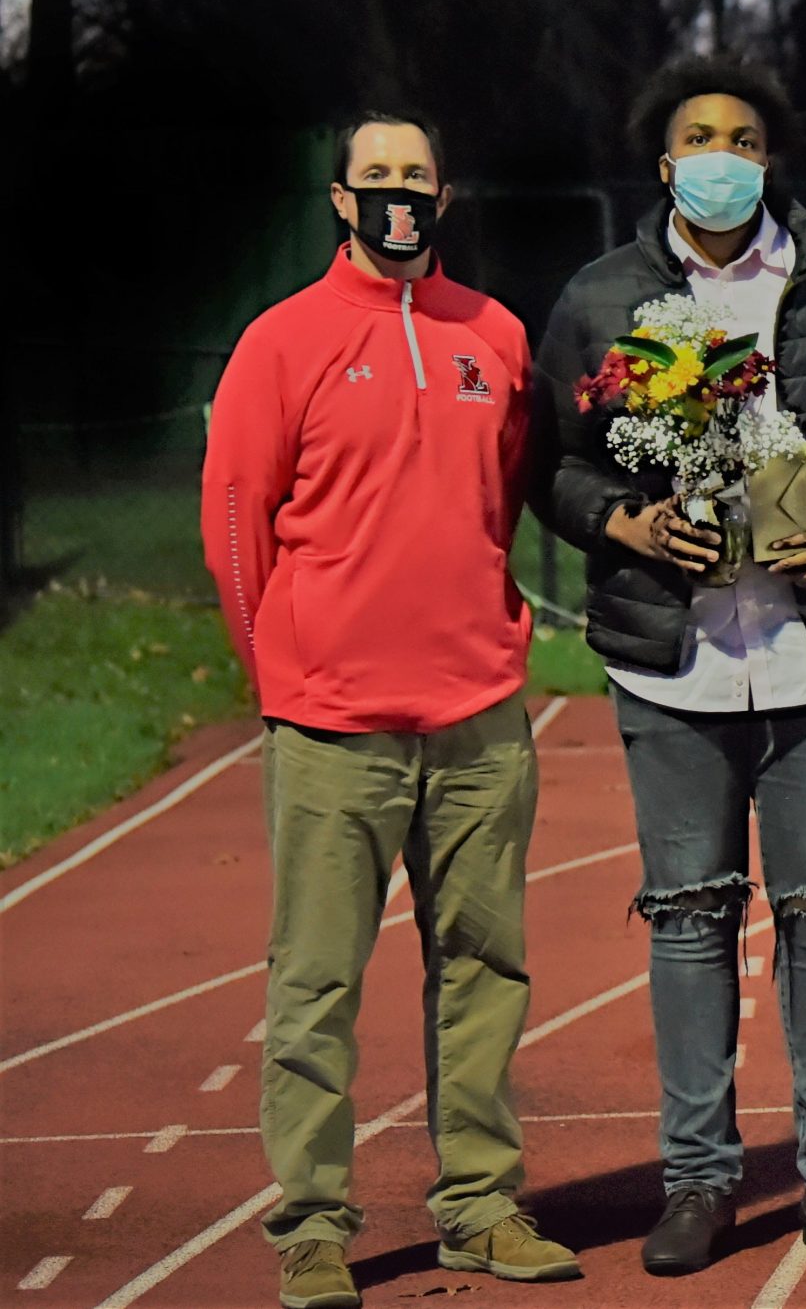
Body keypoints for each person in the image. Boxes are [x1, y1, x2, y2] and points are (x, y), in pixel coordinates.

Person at [528, 58, 806, 1274]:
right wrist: (624, 524)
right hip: (671, 659)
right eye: (698, 137)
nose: (720, 155)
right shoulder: (599, 298)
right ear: (662, 166)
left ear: (771, 161)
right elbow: (550, 460)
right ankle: (698, 1180)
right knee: (690, 924)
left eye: (742, 138)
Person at [202, 111, 579, 1309]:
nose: (397, 194)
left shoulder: (496, 334)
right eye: (377, 177)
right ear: (339, 196)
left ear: (445, 194)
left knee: (485, 966)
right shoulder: (281, 340)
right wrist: (280, 675)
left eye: (416, 176)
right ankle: (313, 1226)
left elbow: (513, 488)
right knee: (315, 982)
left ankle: (480, 1205)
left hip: (477, 717)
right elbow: (233, 521)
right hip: (333, 724)